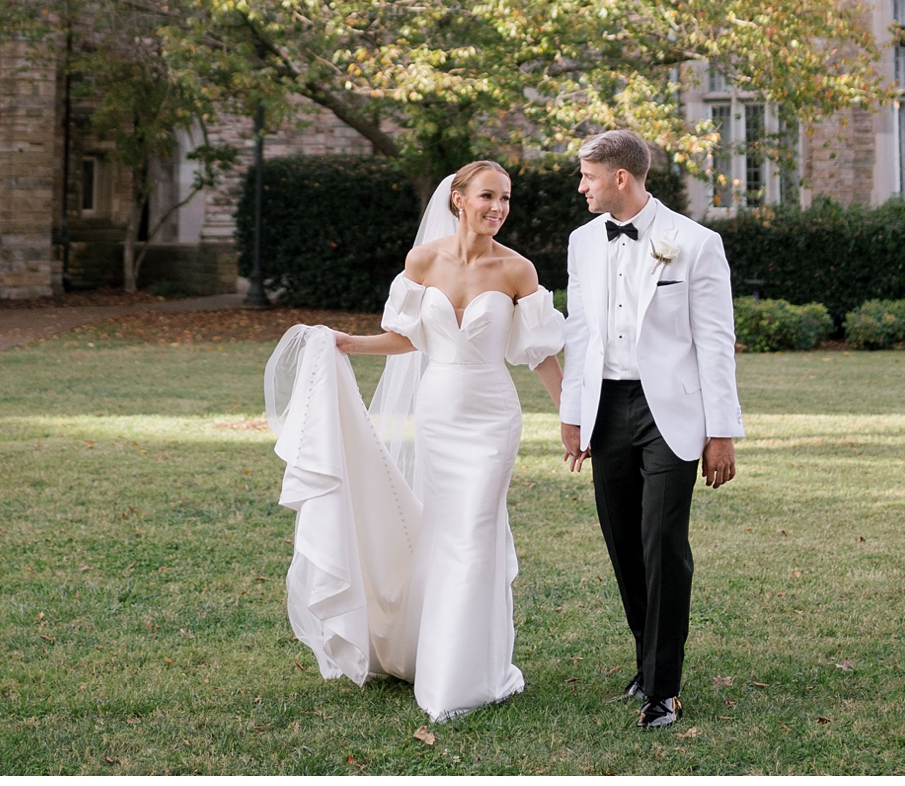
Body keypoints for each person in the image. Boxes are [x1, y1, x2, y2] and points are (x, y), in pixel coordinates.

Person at [264, 160, 565, 722]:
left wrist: (570, 415)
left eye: (505, 199)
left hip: (492, 415)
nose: (497, 208)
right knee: (444, 532)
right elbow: (406, 339)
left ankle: (462, 676)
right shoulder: (422, 262)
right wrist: (347, 343)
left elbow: (540, 352)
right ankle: (430, 652)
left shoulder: (519, 270)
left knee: (475, 532)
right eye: (487, 196)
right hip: (438, 413)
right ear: (458, 199)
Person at [559, 128, 742, 731]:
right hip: (606, 410)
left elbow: (715, 342)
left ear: (619, 178)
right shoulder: (582, 242)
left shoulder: (695, 242)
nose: (580, 186)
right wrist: (572, 415)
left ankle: (663, 689)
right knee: (623, 544)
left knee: (662, 544)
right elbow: (580, 334)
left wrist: (722, 431)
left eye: (587, 176)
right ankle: (645, 659)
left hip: (673, 413)